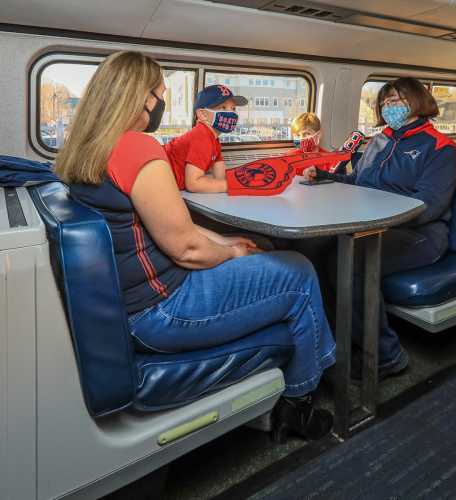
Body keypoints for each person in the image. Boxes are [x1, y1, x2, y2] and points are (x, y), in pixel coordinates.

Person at [54, 51, 336, 440]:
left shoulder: (87, 148)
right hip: (163, 310)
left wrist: (224, 240)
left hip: (133, 304)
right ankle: (300, 402)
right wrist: (232, 253)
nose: (162, 103)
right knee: (299, 271)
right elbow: (186, 249)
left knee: (262, 252)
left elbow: (160, 229)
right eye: (160, 93)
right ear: (141, 98)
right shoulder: (136, 147)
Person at [304, 77, 456, 380]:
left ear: (417, 101)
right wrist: (324, 176)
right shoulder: (379, 141)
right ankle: (340, 340)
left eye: (397, 101)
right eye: (385, 103)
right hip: (374, 226)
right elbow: (360, 183)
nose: (390, 107)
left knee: (348, 261)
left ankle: (387, 355)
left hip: (420, 234)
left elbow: (429, 204)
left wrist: (376, 219)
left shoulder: (440, 147)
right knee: (312, 248)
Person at [165, 84, 247, 193]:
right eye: (223, 107)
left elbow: (220, 177)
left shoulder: (214, 139)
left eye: (233, 108)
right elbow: (193, 184)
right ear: (203, 114)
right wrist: (233, 185)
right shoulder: (201, 136)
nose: (231, 113)